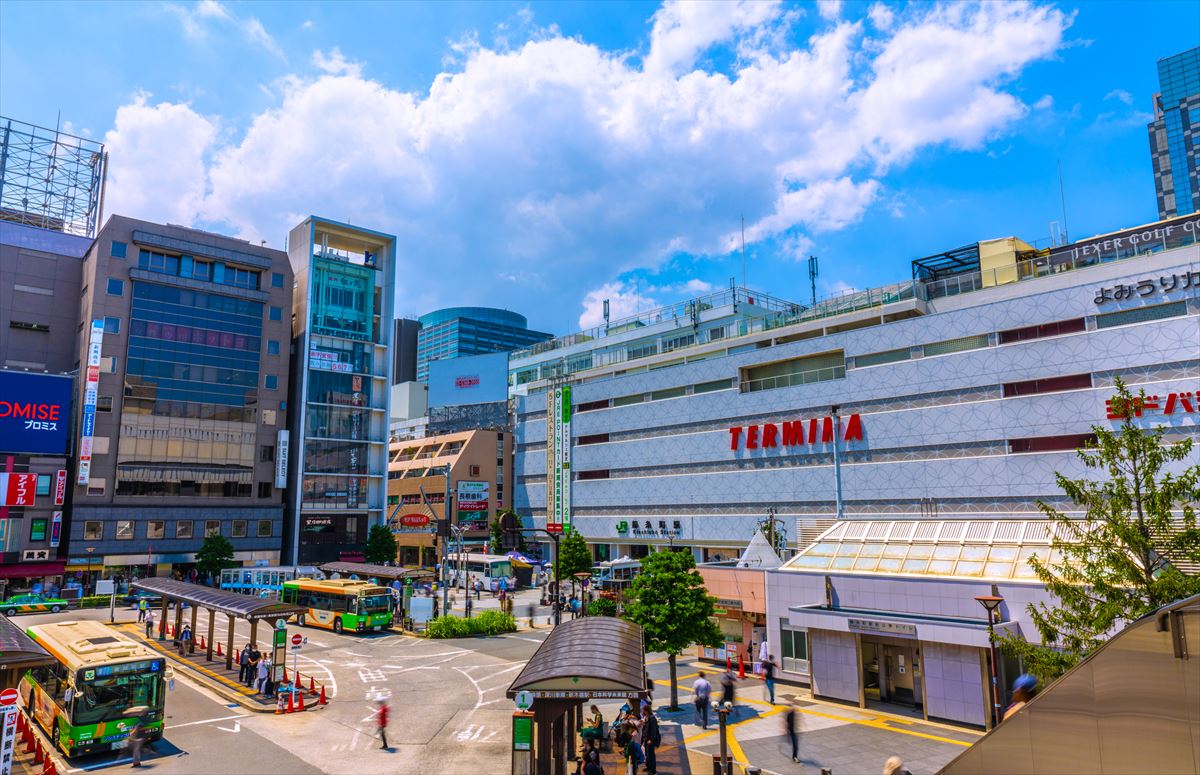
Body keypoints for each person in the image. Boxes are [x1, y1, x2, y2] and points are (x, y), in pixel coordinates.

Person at [641, 705, 660, 775]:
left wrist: (651, 740)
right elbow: (646, 729)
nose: (643, 711)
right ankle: (648, 767)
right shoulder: (647, 717)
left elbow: (653, 730)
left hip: (650, 740)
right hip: (646, 739)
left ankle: (653, 771)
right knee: (647, 755)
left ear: (646, 710)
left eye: (643, 710)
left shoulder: (652, 718)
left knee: (651, 755)